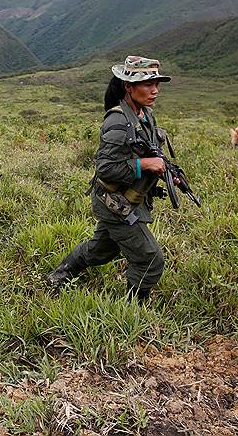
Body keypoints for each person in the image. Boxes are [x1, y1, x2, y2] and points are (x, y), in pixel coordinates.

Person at [46, 56, 174, 304]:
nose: (155, 90)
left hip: (127, 200)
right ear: (128, 86)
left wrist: (166, 171)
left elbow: (149, 151)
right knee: (149, 258)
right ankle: (134, 309)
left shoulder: (144, 115)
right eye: (148, 84)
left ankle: (60, 275)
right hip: (115, 204)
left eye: (156, 83)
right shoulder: (117, 121)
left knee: (101, 250)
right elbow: (106, 169)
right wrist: (145, 165)